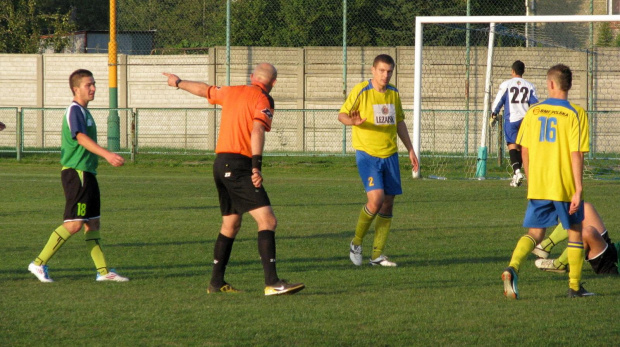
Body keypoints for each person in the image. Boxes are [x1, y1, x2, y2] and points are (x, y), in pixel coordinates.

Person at [163, 63, 305, 296]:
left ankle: (216, 283)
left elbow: (203, 89)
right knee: (267, 221)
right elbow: (257, 130)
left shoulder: (231, 90)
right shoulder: (263, 99)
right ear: (274, 83)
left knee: (231, 224)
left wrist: (178, 83)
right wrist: (256, 167)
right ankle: (272, 282)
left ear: (251, 77)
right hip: (239, 165)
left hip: (220, 164)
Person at [28, 69, 128, 283]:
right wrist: (108, 155)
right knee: (74, 224)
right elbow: (80, 138)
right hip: (77, 172)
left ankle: (103, 273)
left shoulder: (84, 111)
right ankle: (38, 263)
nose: (93, 88)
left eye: (93, 84)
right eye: (88, 85)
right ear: (76, 89)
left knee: (93, 223)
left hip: (88, 173)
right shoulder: (75, 110)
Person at [501, 64, 592, 299]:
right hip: (564, 185)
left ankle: (513, 267)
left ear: (551, 84)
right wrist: (579, 189)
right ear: (568, 85)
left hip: (539, 184)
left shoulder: (534, 112)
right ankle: (574, 287)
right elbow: (576, 154)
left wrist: (532, 181)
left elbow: (525, 151)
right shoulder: (576, 113)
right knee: (574, 231)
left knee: (535, 233)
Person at [338, 54, 419, 267]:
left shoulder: (393, 93)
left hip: (390, 154)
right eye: (382, 70)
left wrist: (410, 149)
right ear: (373, 70)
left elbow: (399, 122)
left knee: (388, 203)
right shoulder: (361, 91)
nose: (385, 75)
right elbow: (342, 115)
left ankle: (377, 255)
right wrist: (352, 121)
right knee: (375, 200)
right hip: (367, 154)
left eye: (389, 71)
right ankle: (356, 243)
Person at [533, 202, 618, 275]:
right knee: (583, 209)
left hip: (611, 264)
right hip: (613, 250)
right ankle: (545, 246)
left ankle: (559, 264)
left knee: (587, 232)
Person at [490, 60, 539, 187]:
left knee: (512, 146)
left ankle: (517, 172)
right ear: (523, 71)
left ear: (512, 71)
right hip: (525, 120)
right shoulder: (529, 86)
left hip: (511, 119)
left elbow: (499, 101)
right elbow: (535, 104)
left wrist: (493, 113)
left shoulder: (506, 84)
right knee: (522, 148)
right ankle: (516, 177)